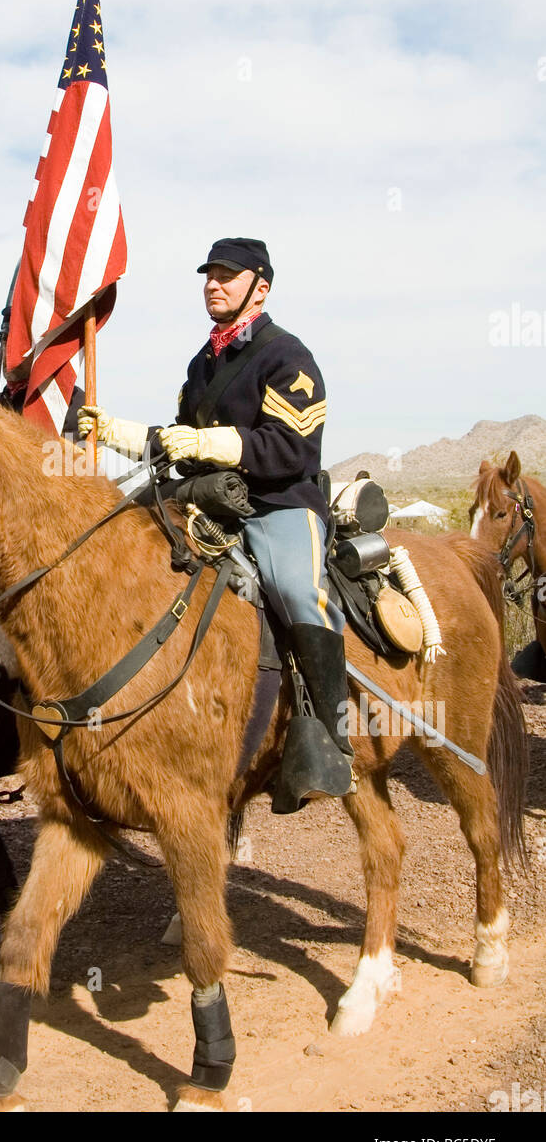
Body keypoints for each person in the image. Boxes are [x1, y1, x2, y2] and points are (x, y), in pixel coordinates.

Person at [78, 237, 355, 809]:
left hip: (278, 504)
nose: (214, 284)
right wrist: (115, 431)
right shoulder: (201, 364)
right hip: (207, 499)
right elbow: (178, 445)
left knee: (298, 592)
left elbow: (291, 448)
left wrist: (210, 442)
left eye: (229, 276)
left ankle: (330, 734)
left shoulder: (288, 357)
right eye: (210, 275)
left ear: (262, 287)